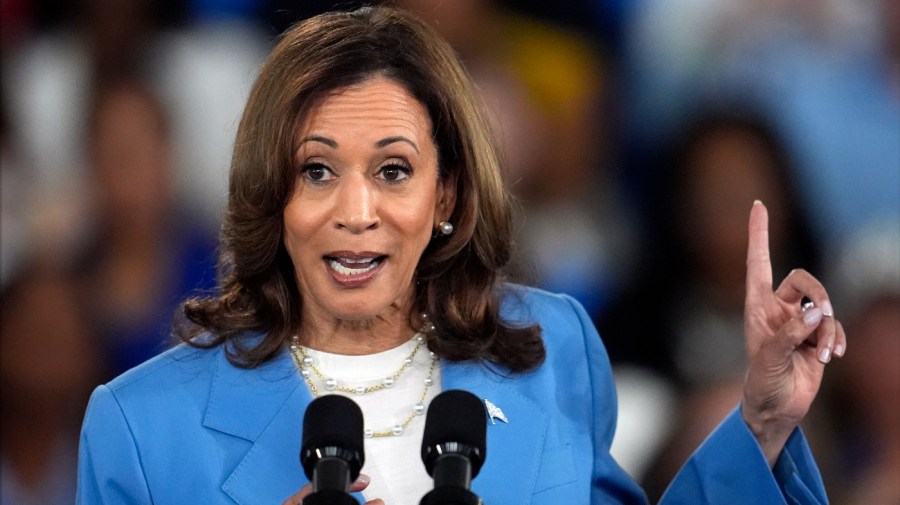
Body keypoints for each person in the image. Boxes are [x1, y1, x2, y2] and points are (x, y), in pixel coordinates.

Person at [76, 6, 846, 505]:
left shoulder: (551, 353)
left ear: (445, 196)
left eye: (393, 170)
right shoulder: (142, 430)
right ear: (270, 195)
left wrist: (764, 418)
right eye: (317, 170)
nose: (356, 211)